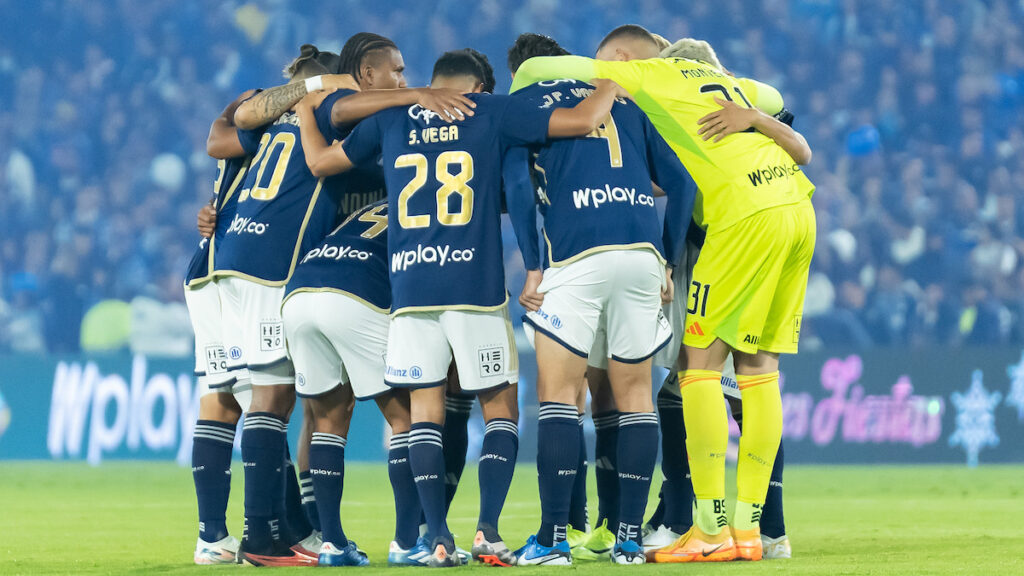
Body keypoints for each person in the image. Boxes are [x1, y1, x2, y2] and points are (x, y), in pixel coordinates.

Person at [295, 47, 626, 566]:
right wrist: (610, 84)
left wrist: (301, 113)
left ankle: (437, 538)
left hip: (409, 292)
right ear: (478, 87)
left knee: (423, 414)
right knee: (501, 410)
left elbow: (320, 162)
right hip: (472, 284)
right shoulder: (490, 111)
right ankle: (487, 531)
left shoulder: (390, 114)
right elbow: (583, 120)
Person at [512, 24, 815, 563]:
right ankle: (756, 530)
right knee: (757, 370)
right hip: (795, 208)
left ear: (623, 58)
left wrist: (607, 73)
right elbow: (781, 113)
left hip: (734, 222)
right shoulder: (738, 88)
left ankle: (706, 525)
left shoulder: (645, 76)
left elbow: (537, 71)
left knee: (695, 368)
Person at [505, 32, 696, 565]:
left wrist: (534, 265)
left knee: (561, 397)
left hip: (578, 256)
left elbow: (519, 189)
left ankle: (552, 539)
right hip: (640, 254)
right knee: (635, 395)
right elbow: (681, 184)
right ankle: (629, 540)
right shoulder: (625, 102)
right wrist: (666, 258)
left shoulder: (521, 105)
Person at [187, 90, 256, 565]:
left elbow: (217, 133)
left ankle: (212, 536)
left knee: (221, 402)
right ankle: (271, 532)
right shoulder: (291, 133)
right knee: (263, 403)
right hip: (244, 274)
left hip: (206, 268)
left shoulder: (241, 135)